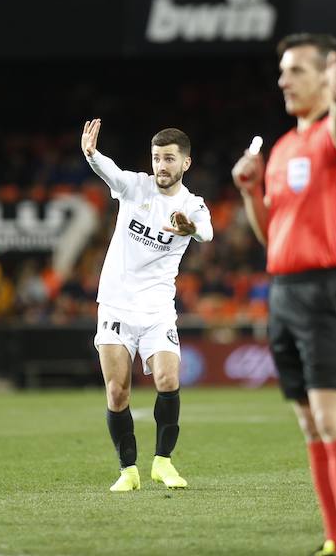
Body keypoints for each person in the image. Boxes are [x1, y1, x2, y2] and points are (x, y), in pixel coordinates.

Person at [232, 34, 336, 556]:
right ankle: (333, 541)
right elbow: (271, 233)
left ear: (325, 76)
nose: (283, 80)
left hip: (325, 287)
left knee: (334, 418)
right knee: (310, 424)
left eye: (295, 71)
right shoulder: (284, 147)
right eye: (282, 72)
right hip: (283, 290)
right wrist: (250, 190)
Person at [80, 119, 213, 491]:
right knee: (117, 391)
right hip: (117, 306)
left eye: (169, 158)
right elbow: (112, 174)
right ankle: (128, 470)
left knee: (169, 379)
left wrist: (190, 229)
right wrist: (92, 155)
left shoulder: (192, 205)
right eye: (156, 158)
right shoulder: (136, 188)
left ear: (185, 163)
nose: (161, 166)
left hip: (157, 310)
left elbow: (207, 231)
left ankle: (163, 463)